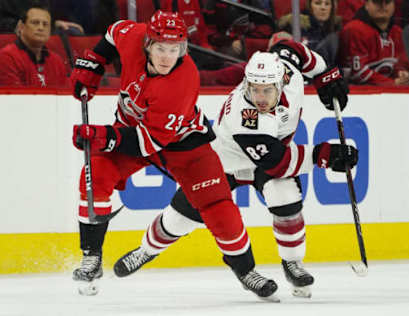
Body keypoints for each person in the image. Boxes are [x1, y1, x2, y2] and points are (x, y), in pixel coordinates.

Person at [110, 41, 358, 298]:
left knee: (286, 197)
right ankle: (146, 250)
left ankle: (292, 263)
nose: (260, 98)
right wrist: (324, 155)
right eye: (254, 90)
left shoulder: (290, 74)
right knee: (182, 216)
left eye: (267, 91)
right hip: (226, 161)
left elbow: (292, 49)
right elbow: (277, 161)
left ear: (282, 82)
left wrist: (326, 75)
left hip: (271, 152)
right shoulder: (245, 116)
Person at [70, 10, 278, 301]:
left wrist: (104, 137)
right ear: (147, 44)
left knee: (218, 205)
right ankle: (91, 257)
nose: (167, 57)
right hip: (132, 133)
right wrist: (94, 61)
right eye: (160, 48)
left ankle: (246, 271)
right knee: (95, 175)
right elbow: (114, 30)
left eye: (175, 50)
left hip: (183, 143)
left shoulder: (183, 80)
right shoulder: (132, 37)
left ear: (183, 49)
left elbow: (148, 142)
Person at [0, 4, 68, 87]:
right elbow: (14, 98)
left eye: (45, 24)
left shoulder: (57, 61)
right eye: (35, 23)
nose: (41, 28)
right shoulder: (6, 58)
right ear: (21, 27)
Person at [338, 0, 409, 85]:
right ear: (366, 4)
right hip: (357, 93)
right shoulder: (354, 30)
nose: (383, 7)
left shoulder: (399, 33)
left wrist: (402, 74)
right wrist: (392, 83)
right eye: (377, 2)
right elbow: (358, 73)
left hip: (390, 91)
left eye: (387, 2)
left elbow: (401, 65)